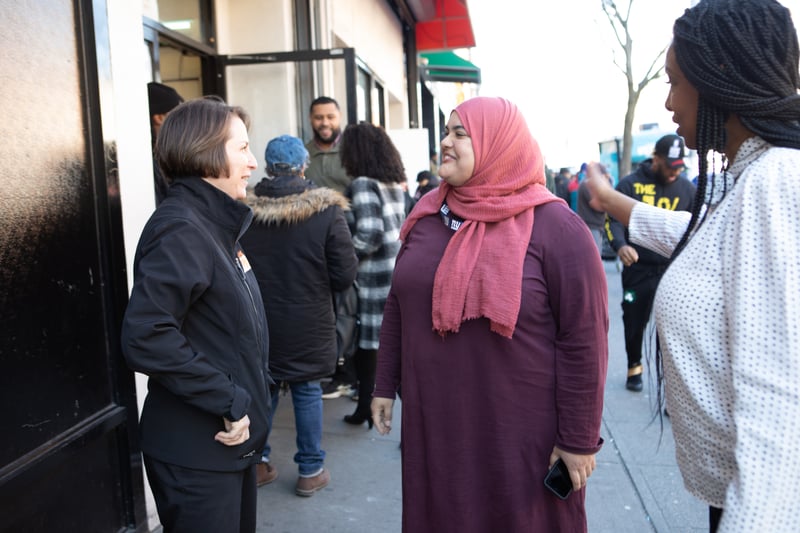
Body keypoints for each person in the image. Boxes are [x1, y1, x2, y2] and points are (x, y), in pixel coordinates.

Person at [584, 1, 800, 530]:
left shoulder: (776, 180)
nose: (668, 100)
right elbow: (708, 238)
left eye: (675, 81)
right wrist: (612, 201)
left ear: (717, 81)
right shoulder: (754, 178)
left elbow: (781, 404)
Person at [371, 97, 609, 532]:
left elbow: (585, 340)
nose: (446, 142)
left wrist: (578, 438)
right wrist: (384, 383)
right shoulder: (426, 215)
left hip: (519, 434)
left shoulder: (558, 229)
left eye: (461, 134)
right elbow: (398, 304)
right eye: (446, 131)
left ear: (499, 145)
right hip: (437, 424)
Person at [121, 97, 269, 533]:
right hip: (197, 452)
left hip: (226, 445)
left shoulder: (213, 225)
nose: (253, 161)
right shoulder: (183, 228)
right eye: (242, 149)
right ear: (205, 151)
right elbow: (147, 335)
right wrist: (228, 398)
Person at [240, 135, 358, 496]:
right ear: (304, 166)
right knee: (307, 391)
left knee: (265, 389)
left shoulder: (244, 210)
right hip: (310, 321)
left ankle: (258, 462)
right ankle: (310, 471)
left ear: (267, 166)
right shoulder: (325, 210)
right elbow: (344, 274)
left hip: (260, 320)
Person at [606, 134, 695, 392]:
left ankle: (672, 389)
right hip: (639, 269)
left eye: (679, 167)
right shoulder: (630, 185)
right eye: (670, 165)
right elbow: (611, 219)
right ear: (655, 158)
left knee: (675, 330)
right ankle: (634, 366)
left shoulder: (688, 189)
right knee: (634, 319)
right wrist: (620, 245)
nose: (674, 172)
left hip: (674, 270)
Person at [338, 122, 407, 428]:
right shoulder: (391, 183)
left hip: (372, 279)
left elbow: (370, 233)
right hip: (394, 272)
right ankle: (366, 407)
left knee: (369, 351)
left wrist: (344, 257)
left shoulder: (363, 184)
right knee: (388, 350)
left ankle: (367, 407)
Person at [147, 82, 184, 204]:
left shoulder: (167, 157)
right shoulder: (148, 165)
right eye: (178, 115)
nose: (184, 123)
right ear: (159, 118)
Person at [304, 96, 350, 193]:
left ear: (340, 116)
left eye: (330, 117)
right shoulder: (303, 154)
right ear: (310, 119)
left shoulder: (355, 150)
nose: (325, 123)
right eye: (318, 118)